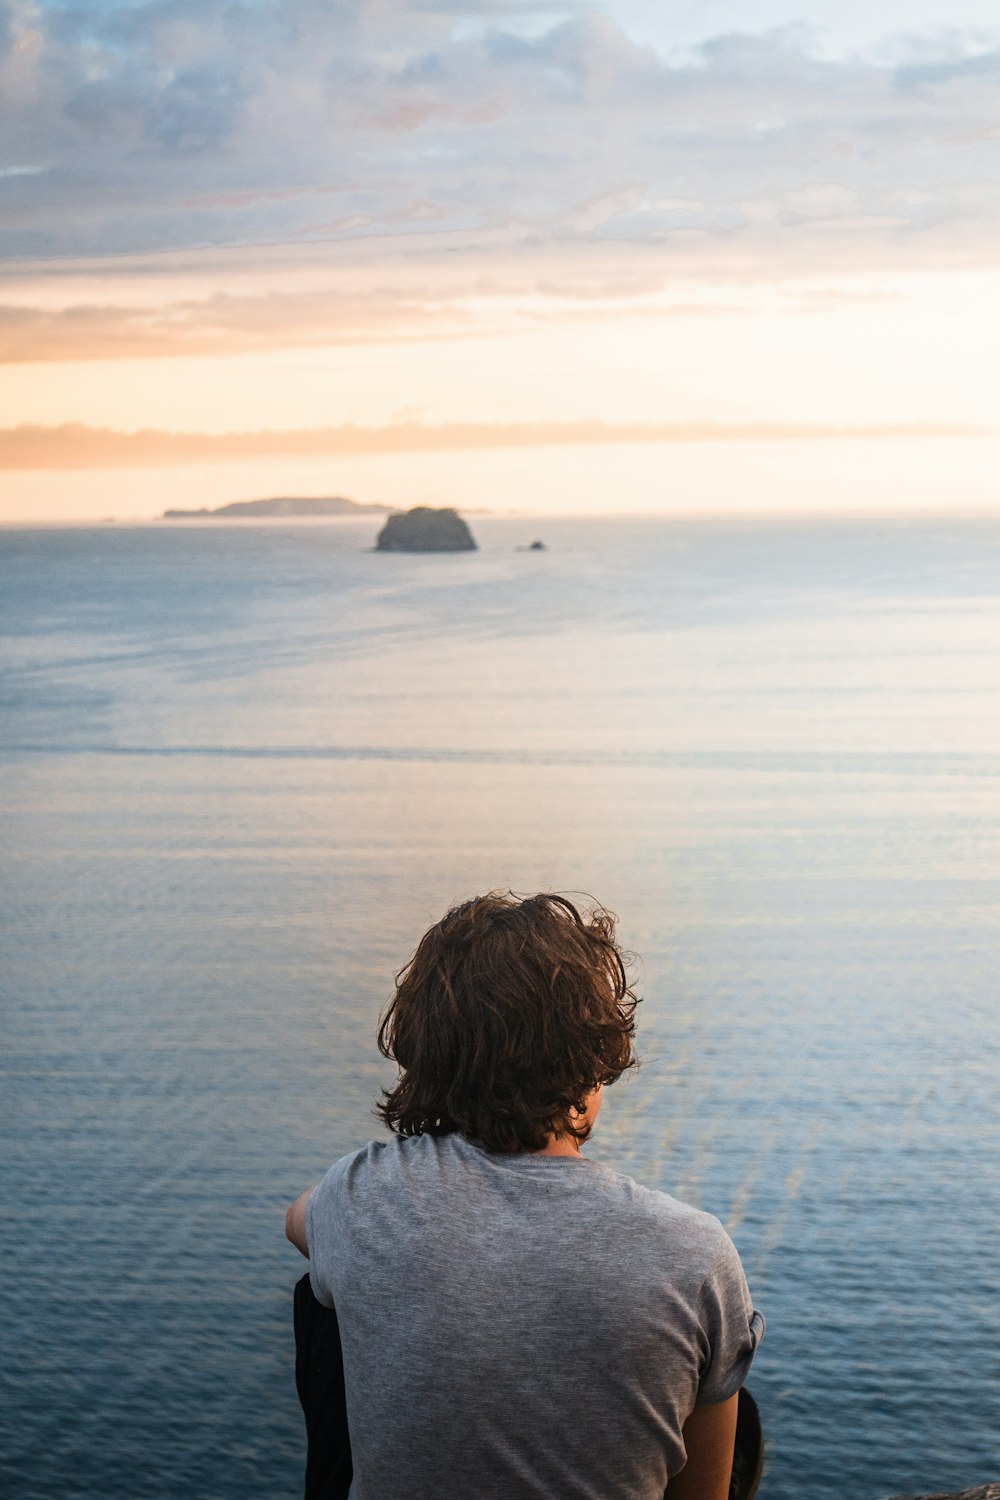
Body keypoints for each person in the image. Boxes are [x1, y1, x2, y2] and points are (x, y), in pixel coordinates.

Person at [286, 891, 765, 1500]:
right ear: (593, 1059)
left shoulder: (357, 1195)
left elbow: (296, 1220)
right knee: (716, 1372)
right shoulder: (695, 1252)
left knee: (323, 1293)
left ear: (425, 1054)